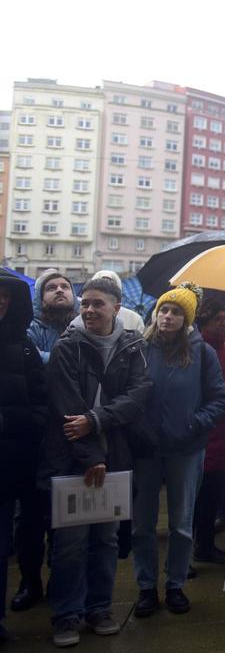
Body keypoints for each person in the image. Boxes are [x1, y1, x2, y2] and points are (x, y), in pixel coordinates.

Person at [42, 276, 152, 648]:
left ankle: (100, 607)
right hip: (74, 460)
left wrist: (98, 419)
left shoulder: (132, 346)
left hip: (116, 456)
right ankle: (66, 614)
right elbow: (66, 405)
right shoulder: (67, 347)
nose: (88, 310)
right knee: (70, 542)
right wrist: (91, 455)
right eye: (84, 303)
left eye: (97, 304)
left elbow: (139, 393)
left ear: (116, 308)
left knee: (105, 540)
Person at [132, 284, 225, 618]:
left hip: (186, 450)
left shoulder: (203, 354)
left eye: (175, 312)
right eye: (164, 310)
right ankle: (146, 587)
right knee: (142, 525)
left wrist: (194, 423)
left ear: (186, 319)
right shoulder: (139, 349)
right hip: (146, 451)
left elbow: (218, 399)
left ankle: (175, 585)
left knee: (181, 524)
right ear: (155, 314)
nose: (168, 316)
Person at [0, 270, 48, 643]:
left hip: (25, 456)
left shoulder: (26, 346)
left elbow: (42, 397)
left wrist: (28, 424)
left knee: (28, 530)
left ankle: (28, 587)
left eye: (5, 295)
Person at [192, 301, 225, 565]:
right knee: (204, 494)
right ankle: (202, 543)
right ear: (205, 321)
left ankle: (205, 541)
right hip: (209, 431)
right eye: (219, 317)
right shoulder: (197, 350)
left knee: (214, 491)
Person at [28, 270, 78, 363]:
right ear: (41, 299)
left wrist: (43, 357)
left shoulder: (86, 325)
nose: (59, 290)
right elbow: (28, 356)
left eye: (65, 287)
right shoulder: (31, 327)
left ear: (74, 296)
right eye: (51, 288)